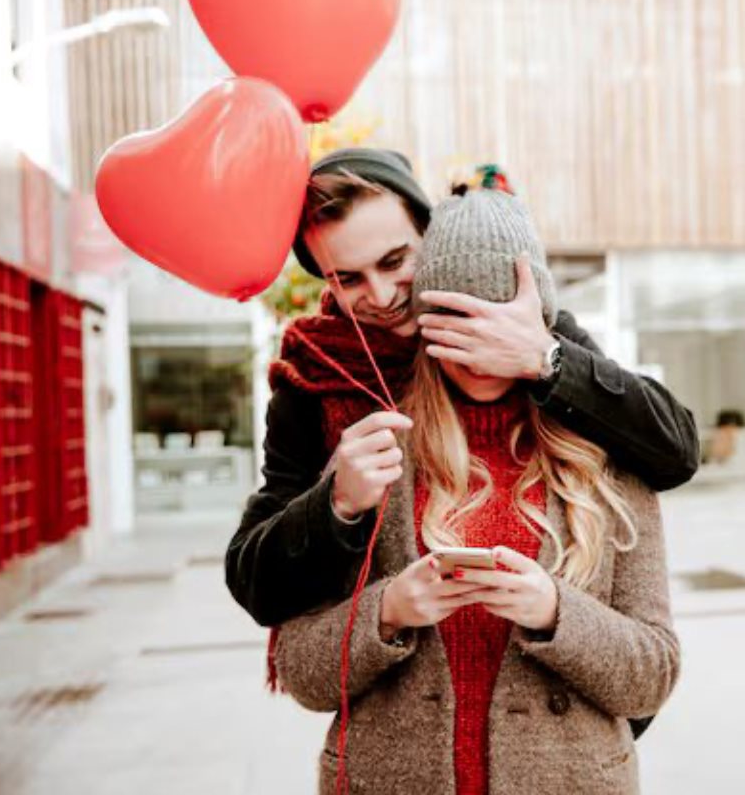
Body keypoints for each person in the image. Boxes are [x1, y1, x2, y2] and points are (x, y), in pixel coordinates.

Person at [273, 178, 679, 794]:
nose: (478, 347)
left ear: (535, 322)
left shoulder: (606, 453)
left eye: (495, 321)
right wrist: (386, 611)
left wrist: (554, 612)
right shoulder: (374, 451)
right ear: (423, 322)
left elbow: (654, 674)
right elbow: (301, 668)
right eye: (455, 319)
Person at [226, 149, 697, 627]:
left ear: (429, 238)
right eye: (348, 279)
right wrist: (336, 504)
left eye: (394, 262)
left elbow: (675, 451)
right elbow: (255, 585)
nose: (383, 295)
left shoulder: (514, 320)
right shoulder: (314, 375)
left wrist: (545, 359)